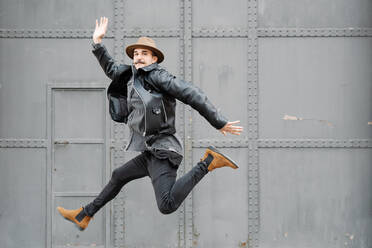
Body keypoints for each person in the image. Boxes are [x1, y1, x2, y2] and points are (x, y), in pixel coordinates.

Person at [57, 16, 243, 231]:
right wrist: (97, 43)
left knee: (167, 204)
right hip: (151, 151)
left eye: (144, 54)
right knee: (119, 175)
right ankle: (84, 215)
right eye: (136, 54)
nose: (138, 57)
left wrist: (218, 121)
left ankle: (208, 162)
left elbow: (192, 94)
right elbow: (110, 69)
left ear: (154, 59)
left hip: (164, 150)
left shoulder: (159, 77)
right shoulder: (131, 75)